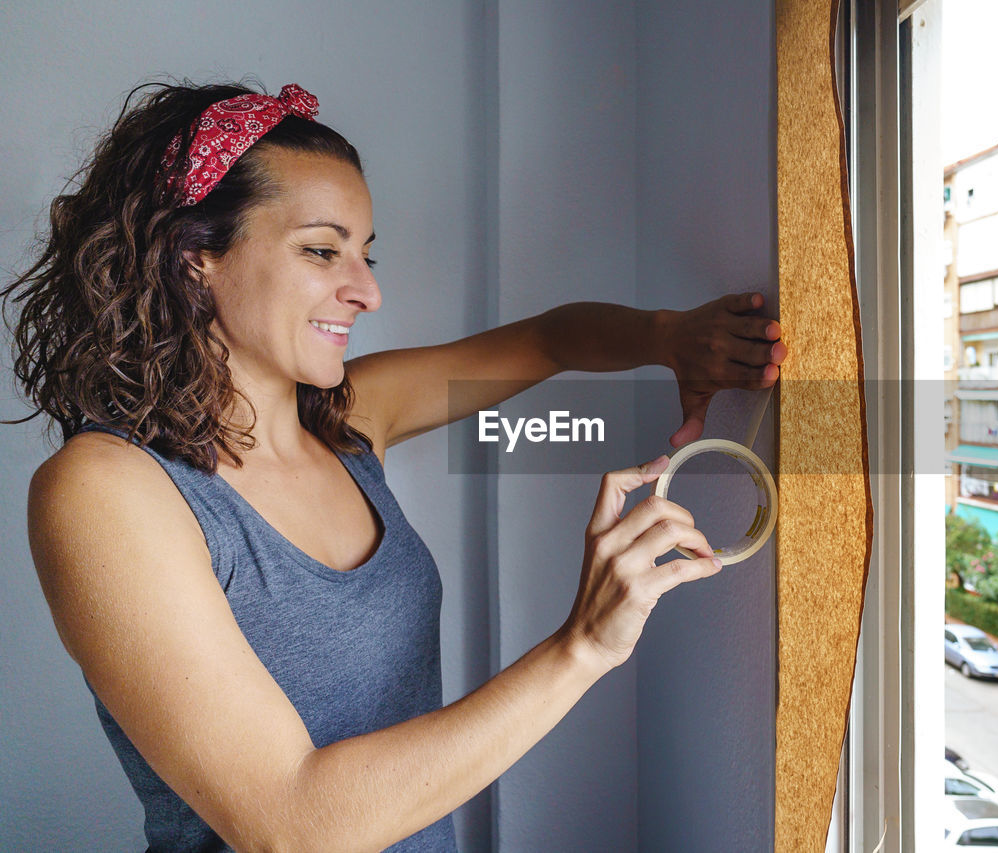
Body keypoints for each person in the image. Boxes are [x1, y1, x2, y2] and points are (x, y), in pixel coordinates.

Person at [3, 81, 787, 851]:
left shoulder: (349, 423)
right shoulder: (107, 491)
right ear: (193, 253)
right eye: (322, 250)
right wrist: (582, 645)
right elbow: (293, 825)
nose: (367, 291)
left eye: (364, 254)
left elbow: (552, 340)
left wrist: (670, 338)